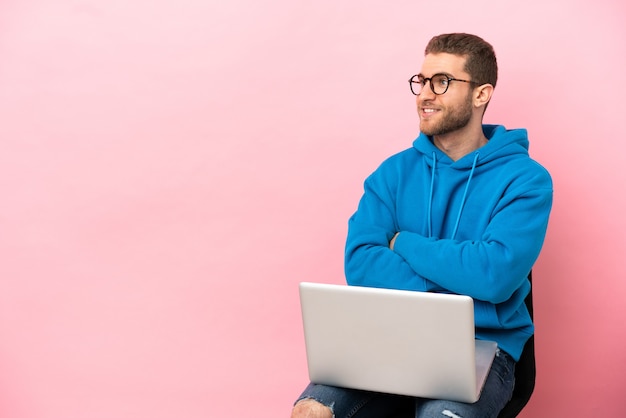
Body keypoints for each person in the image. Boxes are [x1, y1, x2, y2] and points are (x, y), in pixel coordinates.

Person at [291, 33, 553, 418]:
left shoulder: (526, 180)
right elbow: (361, 265)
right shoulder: (392, 173)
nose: (425, 94)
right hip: (387, 337)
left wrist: (405, 244)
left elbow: (495, 275)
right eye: (422, 80)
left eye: (442, 82)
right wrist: (461, 285)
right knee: (311, 411)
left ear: (481, 94)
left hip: (478, 344)